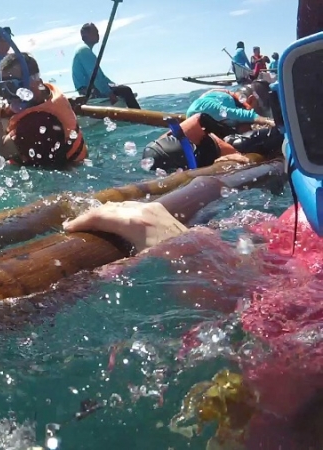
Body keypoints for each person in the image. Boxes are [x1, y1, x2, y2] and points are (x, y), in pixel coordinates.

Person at [65, 2, 323, 444]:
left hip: (167, 160)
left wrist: (198, 250)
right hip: (185, 160)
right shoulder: (291, 217)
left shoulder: (291, 220)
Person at [0, 52, 87, 168]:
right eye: (2, 88)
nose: (7, 95)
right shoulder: (47, 94)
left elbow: (1, 153)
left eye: (12, 86)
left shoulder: (36, 122)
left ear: (36, 83)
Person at [141, 112, 283, 172]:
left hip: (231, 144)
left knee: (279, 135)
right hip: (215, 150)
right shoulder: (156, 152)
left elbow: (201, 117)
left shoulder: (177, 137)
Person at [71, 23, 141, 109]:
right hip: (90, 91)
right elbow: (95, 75)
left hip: (88, 89)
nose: (98, 34)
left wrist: (115, 85)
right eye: (95, 32)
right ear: (85, 35)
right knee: (126, 90)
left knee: (122, 89)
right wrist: (109, 93)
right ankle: (141, 119)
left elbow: (101, 77)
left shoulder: (83, 50)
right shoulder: (84, 50)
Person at [185, 82, 275, 131]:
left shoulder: (227, 103)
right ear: (251, 100)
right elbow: (232, 113)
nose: (258, 111)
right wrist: (267, 120)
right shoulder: (207, 106)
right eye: (259, 107)